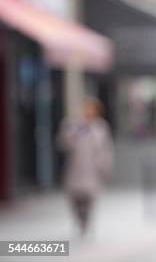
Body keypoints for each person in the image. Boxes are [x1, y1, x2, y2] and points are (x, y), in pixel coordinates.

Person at [57, 97, 114, 237]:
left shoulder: (101, 127)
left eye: (92, 109)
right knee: (75, 198)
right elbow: (62, 144)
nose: (88, 112)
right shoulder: (72, 124)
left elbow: (106, 148)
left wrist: (105, 166)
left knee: (89, 198)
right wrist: (75, 133)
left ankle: (86, 222)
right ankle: (79, 219)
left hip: (93, 169)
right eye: (86, 108)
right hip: (75, 168)